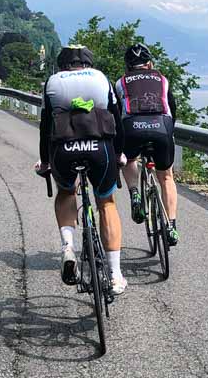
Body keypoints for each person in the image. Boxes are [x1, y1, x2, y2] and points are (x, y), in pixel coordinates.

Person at [36, 45, 128, 295]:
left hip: (63, 149)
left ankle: (68, 247)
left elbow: (46, 127)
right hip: (100, 148)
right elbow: (117, 120)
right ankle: (115, 274)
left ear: (62, 64)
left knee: (66, 193)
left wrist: (45, 162)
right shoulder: (101, 79)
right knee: (106, 203)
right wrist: (119, 154)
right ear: (88, 63)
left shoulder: (52, 82)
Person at [115, 43, 180, 246]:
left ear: (127, 66)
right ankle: (171, 225)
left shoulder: (120, 82)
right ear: (150, 63)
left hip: (132, 128)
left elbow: (116, 114)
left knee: (129, 159)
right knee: (167, 177)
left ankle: (135, 194)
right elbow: (172, 108)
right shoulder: (162, 79)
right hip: (161, 127)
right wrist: (169, 133)